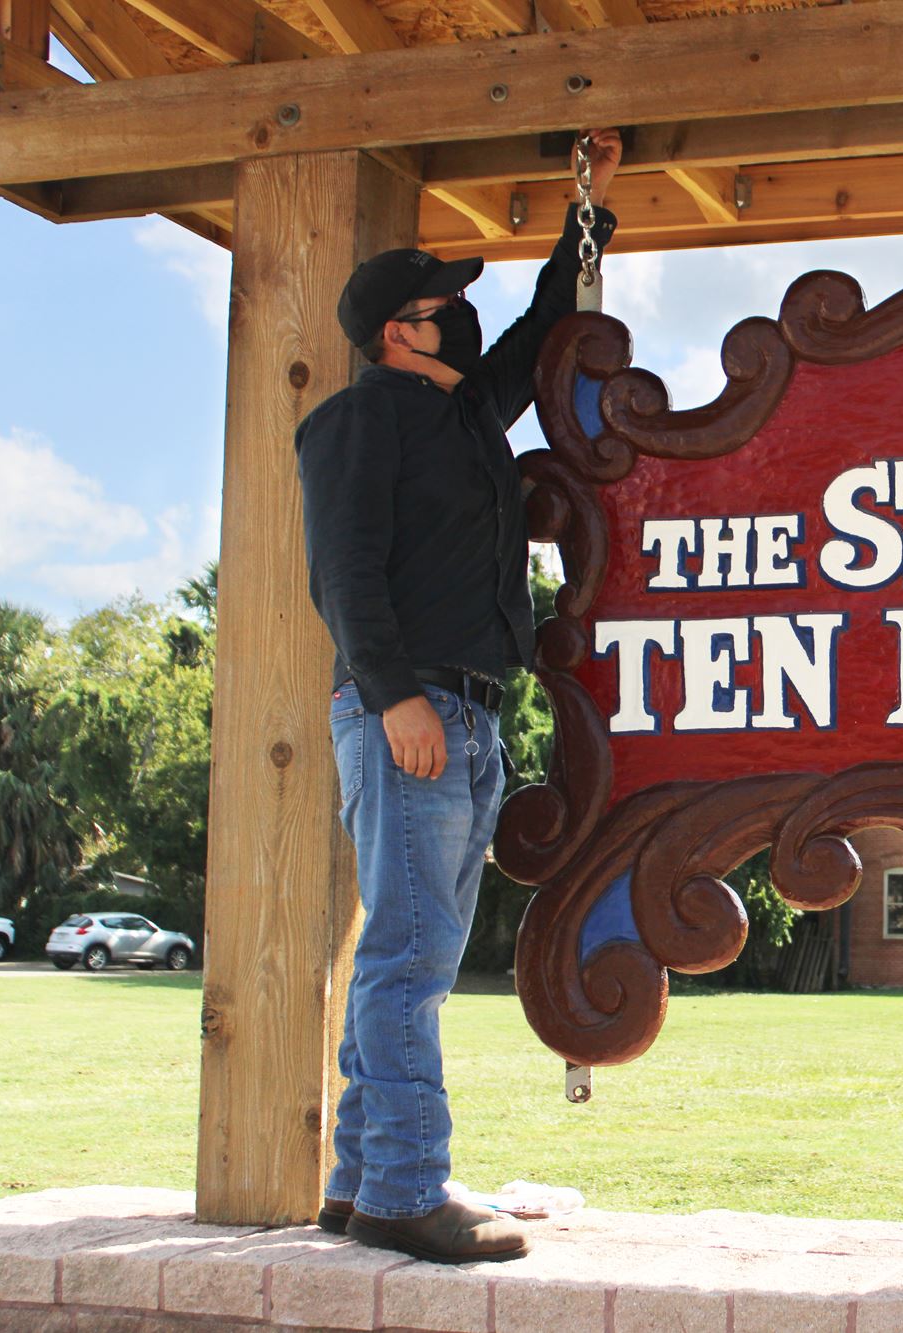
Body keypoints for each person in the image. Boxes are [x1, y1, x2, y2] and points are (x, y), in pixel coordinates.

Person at [293, 128, 623, 1265]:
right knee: (413, 956)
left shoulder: (467, 413)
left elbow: (542, 329)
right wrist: (396, 699)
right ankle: (404, 1189)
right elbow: (341, 573)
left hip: (471, 711)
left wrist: (590, 208)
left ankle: (357, 1181)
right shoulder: (356, 421)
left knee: (408, 948)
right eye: (445, 306)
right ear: (401, 330)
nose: (464, 317)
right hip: (411, 711)